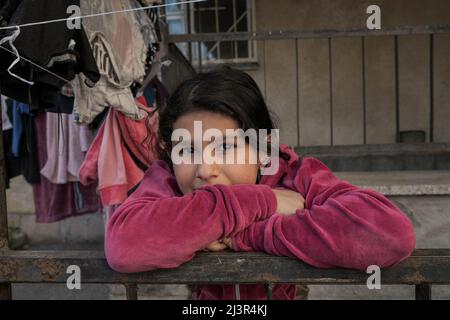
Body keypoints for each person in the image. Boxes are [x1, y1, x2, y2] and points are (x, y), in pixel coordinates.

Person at [105, 67, 415, 300]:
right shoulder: (169, 179)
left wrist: (245, 234)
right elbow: (123, 246)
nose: (205, 169)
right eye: (187, 150)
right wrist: (262, 202)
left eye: (226, 147)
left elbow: (389, 235)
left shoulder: (297, 177)